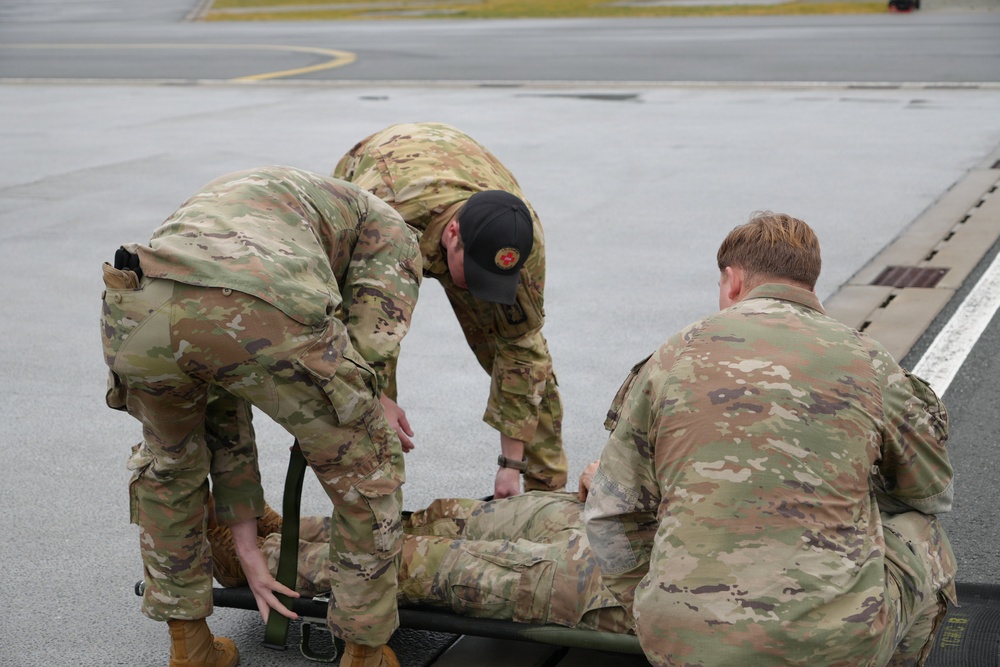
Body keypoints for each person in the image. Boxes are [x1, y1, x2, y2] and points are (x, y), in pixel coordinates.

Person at [584, 212, 957, 667]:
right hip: (834, 647)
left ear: (733, 280)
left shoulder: (675, 353)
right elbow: (931, 492)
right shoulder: (868, 359)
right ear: (810, 285)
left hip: (679, 641)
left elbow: (609, 512)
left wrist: (649, 604)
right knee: (924, 532)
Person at [100, 166, 422, 667]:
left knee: (169, 466)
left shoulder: (261, 200)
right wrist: (365, 394)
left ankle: (191, 648)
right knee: (366, 468)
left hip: (135, 300)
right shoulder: (387, 224)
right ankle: (365, 651)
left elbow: (224, 407)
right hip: (255, 301)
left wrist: (247, 546)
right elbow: (373, 332)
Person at [333, 122, 567, 498]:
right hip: (385, 178)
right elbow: (350, 337)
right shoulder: (383, 222)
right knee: (370, 360)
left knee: (527, 359)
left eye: (493, 278)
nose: (480, 288)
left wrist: (512, 465)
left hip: (460, 176)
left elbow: (522, 353)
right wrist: (376, 398)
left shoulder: (522, 239)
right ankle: (375, 504)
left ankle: (546, 499)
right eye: (476, 273)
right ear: (453, 234)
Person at [207, 475, 631, 635]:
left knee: (424, 563)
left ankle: (258, 558)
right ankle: (290, 533)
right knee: (446, 517)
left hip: (629, 582)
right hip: (626, 520)